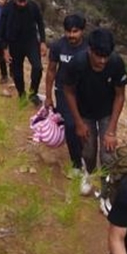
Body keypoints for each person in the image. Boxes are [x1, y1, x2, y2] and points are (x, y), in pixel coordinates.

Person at [61, 27, 127, 180]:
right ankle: (90, 176)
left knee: (107, 155)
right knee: (88, 152)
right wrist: (78, 122)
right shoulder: (77, 63)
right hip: (84, 112)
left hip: (106, 112)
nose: (102, 61)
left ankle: (106, 188)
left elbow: (120, 95)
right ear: (90, 50)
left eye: (106, 56)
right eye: (99, 56)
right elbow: (68, 91)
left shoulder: (116, 63)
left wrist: (111, 131)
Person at [44, 13, 88, 186]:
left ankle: (86, 156)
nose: (71, 35)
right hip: (63, 91)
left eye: (75, 31)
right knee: (71, 124)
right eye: (68, 31)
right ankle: (76, 164)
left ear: (82, 31)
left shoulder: (89, 48)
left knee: (85, 125)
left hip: (84, 93)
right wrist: (48, 96)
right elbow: (51, 70)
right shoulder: (58, 46)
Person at [1, 0, 46, 106]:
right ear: (14, 0)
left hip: (31, 41)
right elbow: (1, 30)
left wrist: (43, 41)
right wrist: (5, 50)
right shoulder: (7, 9)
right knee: (17, 71)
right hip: (14, 42)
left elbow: (40, 23)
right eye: (20, 1)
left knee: (37, 67)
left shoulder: (32, 7)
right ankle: (21, 94)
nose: (23, 4)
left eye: (25, 1)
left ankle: (33, 93)